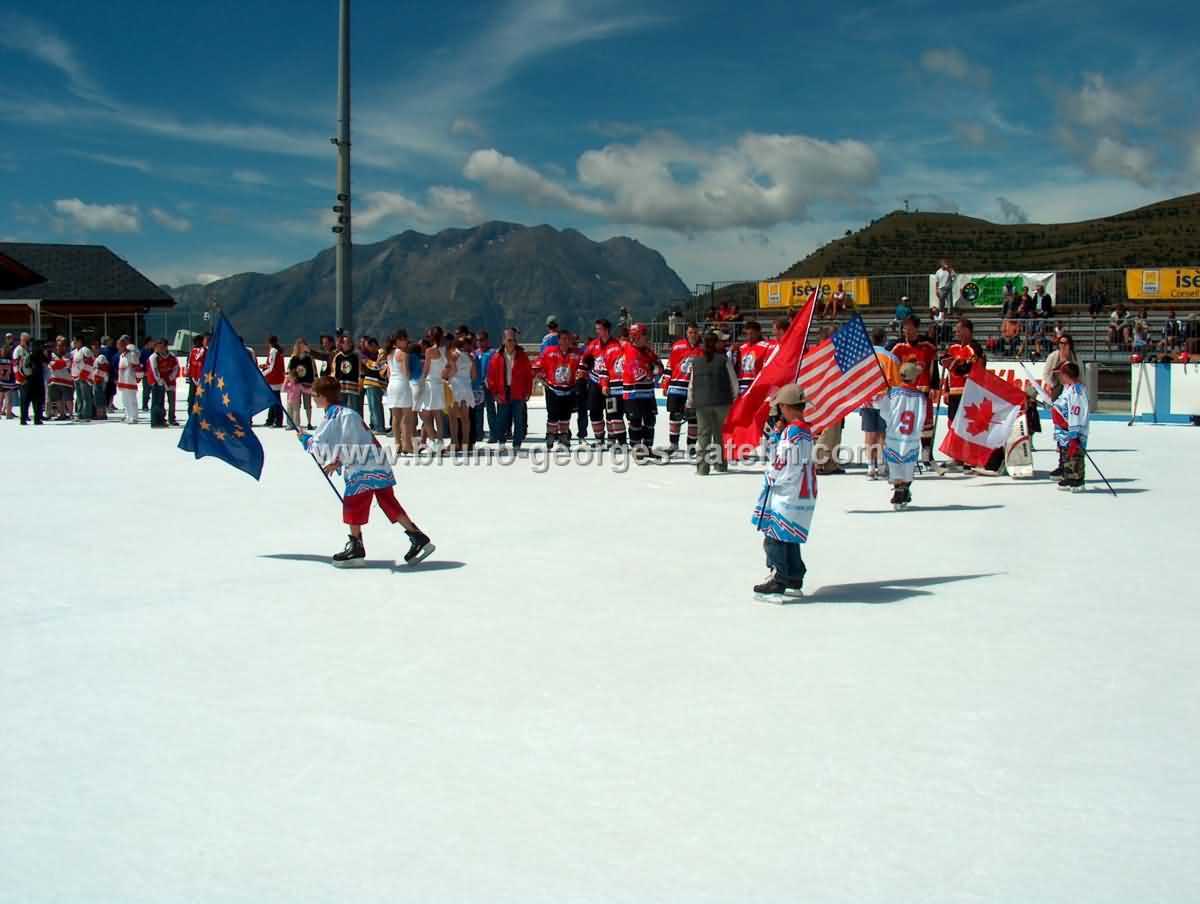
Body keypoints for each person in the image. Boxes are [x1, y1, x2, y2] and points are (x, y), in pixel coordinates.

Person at [302, 376, 435, 566]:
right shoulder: (345, 412)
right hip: (376, 462)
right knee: (387, 501)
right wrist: (337, 460)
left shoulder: (336, 414)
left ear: (323, 396)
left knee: (353, 503)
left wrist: (306, 440)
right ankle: (417, 536)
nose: (313, 398)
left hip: (363, 466)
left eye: (315, 395)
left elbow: (324, 442)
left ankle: (356, 548)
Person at [751, 383, 814, 598]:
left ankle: (779, 578)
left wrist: (772, 476)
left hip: (788, 489)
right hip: (801, 490)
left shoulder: (793, 431)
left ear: (786, 407)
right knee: (789, 535)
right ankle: (794, 576)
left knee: (774, 535)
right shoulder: (804, 429)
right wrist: (777, 435)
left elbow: (784, 460)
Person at [890, 315, 941, 468]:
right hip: (904, 393)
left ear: (917, 328)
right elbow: (891, 367)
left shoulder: (928, 346)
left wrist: (935, 386)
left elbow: (933, 367)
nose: (906, 331)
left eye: (910, 328)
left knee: (926, 425)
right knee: (907, 425)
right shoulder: (897, 347)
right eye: (905, 328)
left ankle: (926, 455)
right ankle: (905, 455)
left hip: (923, 391)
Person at [876, 362, 928, 510]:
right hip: (911, 438)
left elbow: (883, 410)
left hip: (894, 436)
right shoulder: (921, 397)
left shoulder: (893, 393)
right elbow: (922, 417)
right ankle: (903, 489)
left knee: (895, 466)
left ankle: (899, 490)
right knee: (908, 467)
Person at [687, 330, 738, 475]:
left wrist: (690, 401)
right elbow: (733, 381)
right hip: (722, 401)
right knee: (720, 434)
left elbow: (691, 385)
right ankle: (720, 464)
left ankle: (702, 468)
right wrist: (734, 398)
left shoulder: (696, 362)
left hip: (702, 403)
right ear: (716, 344)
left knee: (703, 435)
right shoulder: (723, 360)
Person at [940, 318, 985, 468]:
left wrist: (953, 364)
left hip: (969, 392)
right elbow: (944, 362)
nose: (956, 332)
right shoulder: (953, 347)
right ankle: (957, 456)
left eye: (959, 330)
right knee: (953, 425)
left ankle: (970, 457)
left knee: (969, 426)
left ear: (967, 330)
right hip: (954, 393)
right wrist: (946, 390)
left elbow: (967, 368)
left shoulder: (975, 348)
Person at [861, 328, 899, 479]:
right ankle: (882, 466)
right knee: (883, 434)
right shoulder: (891, 358)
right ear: (884, 339)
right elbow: (896, 382)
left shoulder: (863, 357)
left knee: (869, 434)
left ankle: (870, 467)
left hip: (867, 400)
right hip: (885, 401)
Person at [486, 327, 532, 448]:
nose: (511, 343)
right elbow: (491, 376)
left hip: (518, 392)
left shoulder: (522, 356)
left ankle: (517, 443)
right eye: (509, 340)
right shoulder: (497, 357)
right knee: (502, 419)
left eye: (514, 340)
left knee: (518, 419)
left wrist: (528, 391)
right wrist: (495, 393)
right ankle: (501, 442)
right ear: (503, 341)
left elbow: (528, 375)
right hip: (503, 391)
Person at [536, 329, 582, 448]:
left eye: (568, 339)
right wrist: (540, 375)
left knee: (565, 415)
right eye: (563, 339)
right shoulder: (549, 352)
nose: (566, 341)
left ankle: (564, 436)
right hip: (553, 389)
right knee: (552, 414)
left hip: (569, 389)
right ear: (559, 340)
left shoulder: (577, 353)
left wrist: (581, 377)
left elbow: (585, 366)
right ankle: (550, 436)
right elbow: (538, 365)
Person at [622, 323, 662, 459]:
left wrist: (652, 368)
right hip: (632, 393)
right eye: (644, 334)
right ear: (636, 336)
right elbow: (639, 374)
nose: (647, 337)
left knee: (650, 421)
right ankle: (637, 449)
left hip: (648, 392)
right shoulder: (629, 350)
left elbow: (659, 368)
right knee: (635, 421)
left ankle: (648, 448)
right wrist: (651, 369)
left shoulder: (648, 351)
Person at [662, 322, 702, 455]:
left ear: (699, 333)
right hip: (676, 387)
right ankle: (673, 444)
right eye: (690, 332)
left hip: (694, 389)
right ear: (686, 333)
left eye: (695, 332)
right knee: (675, 416)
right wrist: (665, 383)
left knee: (693, 418)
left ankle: (691, 446)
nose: (693, 335)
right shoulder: (678, 346)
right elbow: (670, 365)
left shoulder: (703, 348)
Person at [580, 318, 618, 445]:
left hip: (611, 384)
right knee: (594, 411)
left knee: (611, 412)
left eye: (599, 329)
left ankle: (612, 439)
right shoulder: (593, 344)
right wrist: (581, 374)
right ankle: (599, 439)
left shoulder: (616, 345)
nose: (597, 331)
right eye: (596, 329)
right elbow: (584, 360)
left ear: (606, 330)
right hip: (595, 382)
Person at [1052, 362, 1089, 492]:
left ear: (1067, 375)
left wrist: (1075, 431)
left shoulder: (1076, 391)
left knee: (1075, 453)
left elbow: (1077, 411)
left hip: (1073, 429)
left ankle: (1077, 479)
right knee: (1067, 453)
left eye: (1061, 375)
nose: (1060, 377)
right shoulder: (1068, 388)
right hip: (1064, 429)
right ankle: (1068, 475)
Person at [383, 331, 414, 453]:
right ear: (398, 341)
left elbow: (389, 373)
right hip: (402, 384)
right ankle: (407, 445)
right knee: (406, 416)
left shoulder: (389, 354)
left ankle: (397, 443)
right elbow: (406, 373)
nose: (406, 341)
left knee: (395, 416)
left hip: (392, 384)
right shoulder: (403, 354)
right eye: (404, 339)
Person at [418, 329, 448, 452]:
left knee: (425, 415)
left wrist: (420, 383)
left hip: (430, 384)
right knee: (438, 415)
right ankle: (439, 442)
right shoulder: (446, 350)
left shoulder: (429, 351)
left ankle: (433, 440)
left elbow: (426, 369)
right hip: (440, 384)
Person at [601, 325, 630, 447]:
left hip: (629, 389)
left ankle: (634, 442)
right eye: (623, 338)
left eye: (627, 338)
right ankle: (621, 442)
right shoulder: (610, 350)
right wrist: (604, 385)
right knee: (614, 417)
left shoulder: (634, 350)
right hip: (614, 389)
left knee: (632, 417)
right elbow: (604, 370)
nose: (625, 341)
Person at [446, 334, 476, 451]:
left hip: (455, 386)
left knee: (453, 418)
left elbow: (452, 371)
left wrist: (446, 377)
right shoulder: (470, 357)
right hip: (467, 388)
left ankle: (455, 443)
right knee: (465, 418)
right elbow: (474, 376)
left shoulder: (452, 355)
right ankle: (465, 443)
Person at [732, 320, 770, 397]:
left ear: (758, 333)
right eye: (747, 334)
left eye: (752, 333)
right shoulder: (742, 348)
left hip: (757, 383)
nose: (749, 336)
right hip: (742, 384)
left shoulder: (766, 346)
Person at [358, 336, 386, 434]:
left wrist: (368, 362)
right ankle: (375, 425)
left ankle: (379, 427)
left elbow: (376, 366)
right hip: (369, 383)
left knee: (375, 406)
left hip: (375, 383)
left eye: (368, 346)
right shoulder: (366, 354)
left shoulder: (381, 353)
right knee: (372, 407)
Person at [331, 333, 362, 416]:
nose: (347, 344)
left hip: (353, 387)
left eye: (349, 342)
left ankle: (355, 423)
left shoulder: (356, 356)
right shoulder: (338, 357)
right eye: (345, 342)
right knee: (341, 410)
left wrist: (360, 383)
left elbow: (360, 371)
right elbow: (334, 372)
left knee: (354, 410)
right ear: (341, 344)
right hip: (341, 387)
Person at [288, 338, 316, 429]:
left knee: (307, 405)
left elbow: (312, 370)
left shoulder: (309, 358)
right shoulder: (294, 358)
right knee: (296, 404)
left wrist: (313, 382)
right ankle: (295, 423)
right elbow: (290, 370)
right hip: (296, 384)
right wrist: (291, 381)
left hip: (307, 383)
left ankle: (309, 423)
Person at [1042, 334, 1080, 402]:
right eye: (1061, 343)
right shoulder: (1053, 356)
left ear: (1070, 345)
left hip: (1071, 387)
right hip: (1057, 386)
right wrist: (1051, 384)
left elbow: (1080, 374)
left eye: (1066, 343)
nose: (1063, 345)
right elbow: (1045, 374)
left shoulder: (1076, 357)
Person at [116, 338, 141, 424]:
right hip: (122, 379)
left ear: (124, 346)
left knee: (132, 399)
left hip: (130, 379)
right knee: (125, 399)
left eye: (120, 345)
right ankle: (128, 415)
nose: (118, 347)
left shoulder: (132, 354)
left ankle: (134, 417)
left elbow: (137, 365)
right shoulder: (121, 355)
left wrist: (138, 377)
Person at [186, 334, 207, 415]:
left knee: (200, 397)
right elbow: (189, 364)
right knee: (192, 397)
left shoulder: (205, 351)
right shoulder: (194, 351)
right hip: (194, 377)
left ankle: (198, 414)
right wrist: (189, 376)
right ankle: (191, 413)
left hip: (201, 378)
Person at [0, 334, 16, 419]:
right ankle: (8, 414)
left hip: (1, 379)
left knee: (1, 397)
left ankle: (1, 412)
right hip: (9, 380)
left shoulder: (1, 359)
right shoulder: (11, 361)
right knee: (9, 398)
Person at [91, 349, 109, 420]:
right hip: (100, 380)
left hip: (99, 381)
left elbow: (102, 365)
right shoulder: (99, 358)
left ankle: (100, 415)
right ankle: (103, 413)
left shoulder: (101, 357)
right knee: (101, 397)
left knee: (99, 398)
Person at [138, 337, 155, 411]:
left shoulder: (153, 351)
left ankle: (154, 405)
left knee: (154, 391)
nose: (153, 343)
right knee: (146, 391)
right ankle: (145, 405)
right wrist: (143, 372)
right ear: (148, 342)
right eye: (152, 342)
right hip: (146, 374)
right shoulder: (142, 352)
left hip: (153, 374)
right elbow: (140, 363)